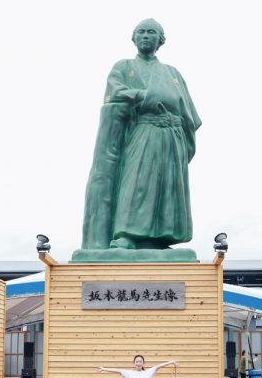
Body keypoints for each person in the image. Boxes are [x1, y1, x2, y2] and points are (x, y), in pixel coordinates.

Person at [80, 18, 201, 251]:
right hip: (143, 130)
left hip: (171, 136)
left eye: (152, 33)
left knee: (166, 186)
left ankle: (156, 239)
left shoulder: (172, 72)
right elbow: (115, 92)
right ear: (134, 38)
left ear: (160, 40)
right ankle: (127, 235)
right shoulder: (123, 67)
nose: (146, 36)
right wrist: (146, 96)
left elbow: (188, 111)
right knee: (136, 183)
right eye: (142, 32)